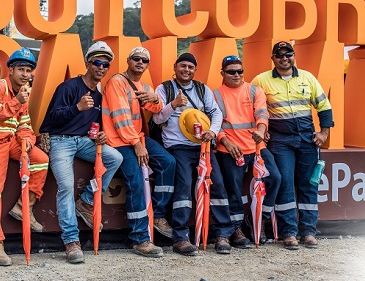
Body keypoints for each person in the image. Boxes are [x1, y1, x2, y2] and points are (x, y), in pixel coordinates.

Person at [39, 41, 123, 264]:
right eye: (97, 62)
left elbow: (94, 127)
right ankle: (71, 241)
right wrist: (76, 107)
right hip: (61, 141)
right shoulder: (69, 87)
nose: (101, 67)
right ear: (88, 63)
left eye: (106, 64)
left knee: (115, 157)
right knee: (66, 186)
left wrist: (100, 137)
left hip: (84, 142)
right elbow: (50, 120)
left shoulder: (100, 96)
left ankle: (85, 200)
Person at [0, 48, 49, 266]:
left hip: (9, 141)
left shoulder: (22, 92)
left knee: (41, 160)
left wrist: (28, 140)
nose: (25, 74)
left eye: (29, 70)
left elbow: (24, 125)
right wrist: (17, 102)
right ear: (11, 70)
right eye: (21, 69)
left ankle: (24, 208)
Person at [251, 41, 333, 250]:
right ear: (273, 58)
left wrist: (324, 133)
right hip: (280, 140)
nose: (284, 58)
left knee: (308, 184)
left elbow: (324, 106)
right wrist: (261, 128)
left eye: (288, 54)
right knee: (286, 184)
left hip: (307, 138)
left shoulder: (308, 77)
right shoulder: (261, 80)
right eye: (279, 55)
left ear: (294, 55)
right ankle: (289, 233)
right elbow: (252, 108)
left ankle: (309, 232)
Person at [152, 52, 232, 256]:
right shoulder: (164, 88)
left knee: (217, 185)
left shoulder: (201, 89)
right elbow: (157, 119)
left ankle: (222, 234)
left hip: (202, 145)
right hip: (177, 146)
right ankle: (181, 238)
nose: (186, 70)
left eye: (190, 67)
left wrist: (212, 132)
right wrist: (173, 105)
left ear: (195, 70)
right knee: (184, 187)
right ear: (175, 67)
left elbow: (216, 113)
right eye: (183, 66)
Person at [102, 47, 176, 258]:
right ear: (128, 60)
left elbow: (157, 110)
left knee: (168, 162)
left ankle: (159, 215)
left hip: (137, 139)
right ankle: (140, 238)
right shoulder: (117, 81)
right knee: (135, 181)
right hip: (119, 140)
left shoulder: (142, 86)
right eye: (136, 58)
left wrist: (155, 99)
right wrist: (136, 144)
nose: (140, 62)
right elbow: (120, 117)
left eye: (145, 60)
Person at [213, 55, 281, 248]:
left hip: (257, 147)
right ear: (222, 73)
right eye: (231, 71)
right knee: (233, 190)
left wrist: (261, 130)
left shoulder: (254, 91)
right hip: (230, 149)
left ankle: (260, 219)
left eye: (239, 71)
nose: (236, 75)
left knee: (275, 178)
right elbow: (214, 123)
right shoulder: (216, 94)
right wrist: (225, 141)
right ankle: (235, 229)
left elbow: (262, 113)